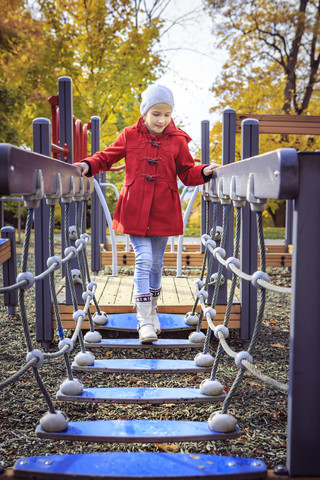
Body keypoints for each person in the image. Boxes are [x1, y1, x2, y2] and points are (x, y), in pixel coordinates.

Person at [74, 84, 219, 343]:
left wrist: (204, 170)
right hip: (134, 209)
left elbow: (186, 172)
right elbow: (107, 157)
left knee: (157, 262)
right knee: (144, 258)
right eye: (156, 113)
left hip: (164, 210)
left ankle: (153, 313)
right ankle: (143, 319)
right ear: (145, 113)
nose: (162, 120)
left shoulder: (177, 141)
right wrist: (87, 164)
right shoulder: (130, 135)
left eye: (167, 114)